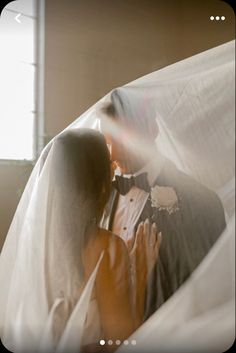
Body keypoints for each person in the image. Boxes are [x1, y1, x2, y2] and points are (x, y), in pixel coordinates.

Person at [99, 88, 226, 321]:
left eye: (122, 140)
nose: (113, 153)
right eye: (108, 142)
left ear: (152, 130)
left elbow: (211, 296)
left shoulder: (202, 203)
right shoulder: (103, 197)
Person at [45, 128, 162, 353]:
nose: (115, 167)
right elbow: (121, 344)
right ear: (96, 181)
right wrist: (140, 277)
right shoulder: (105, 247)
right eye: (108, 163)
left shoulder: (37, 245)